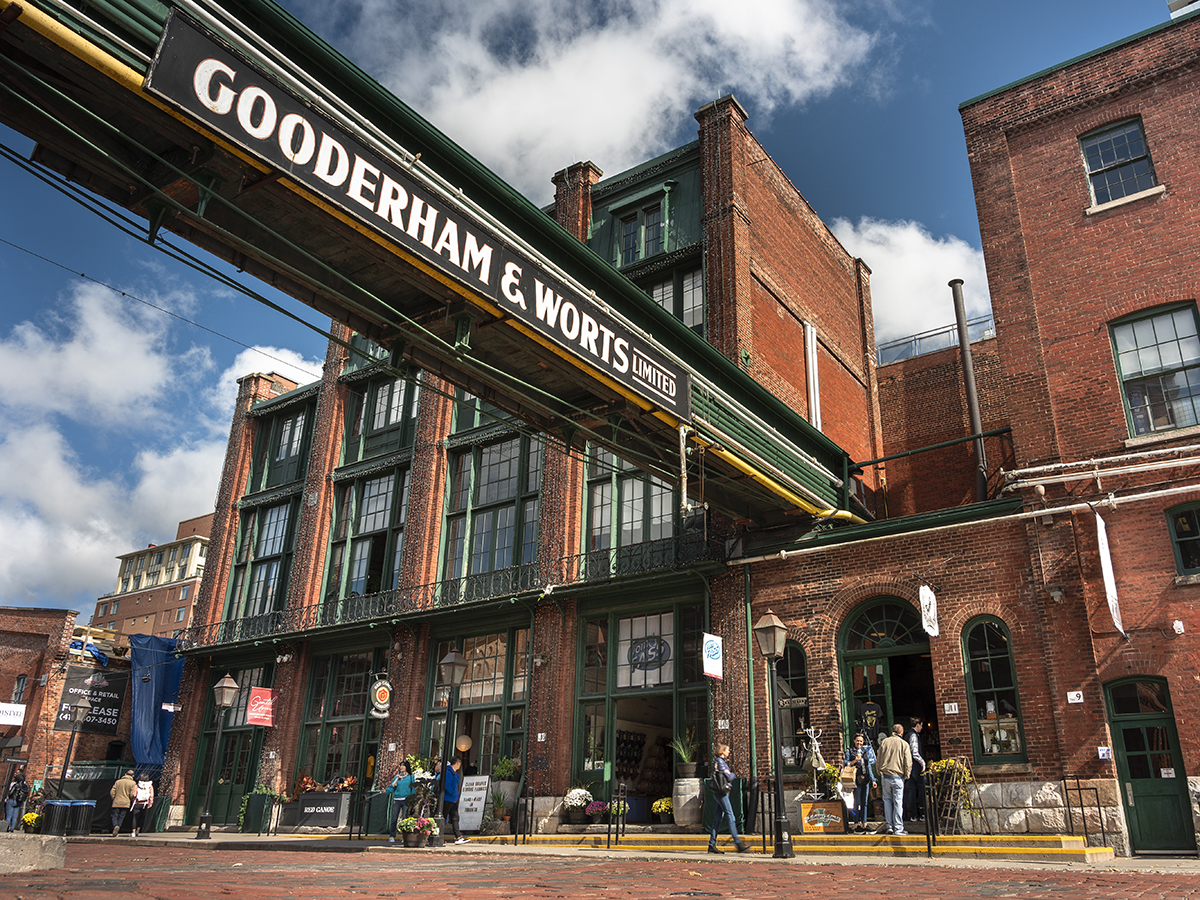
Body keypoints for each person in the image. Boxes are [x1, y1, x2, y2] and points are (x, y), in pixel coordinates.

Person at [707, 743, 749, 854]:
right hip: (722, 792)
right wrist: (733, 774)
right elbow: (729, 776)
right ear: (722, 751)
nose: (729, 752)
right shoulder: (720, 762)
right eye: (727, 750)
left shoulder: (717, 761)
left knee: (717, 818)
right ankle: (738, 843)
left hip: (719, 792)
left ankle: (712, 844)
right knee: (730, 815)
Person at [875, 724, 911, 835]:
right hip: (898, 776)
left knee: (887, 801)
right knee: (898, 802)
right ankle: (898, 828)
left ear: (892, 731)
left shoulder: (884, 742)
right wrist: (907, 775)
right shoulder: (904, 744)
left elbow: (879, 758)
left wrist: (879, 771)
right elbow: (908, 762)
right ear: (902, 732)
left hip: (886, 776)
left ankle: (889, 825)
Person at [843, 733, 877, 833]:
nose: (859, 743)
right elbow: (846, 763)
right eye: (857, 740)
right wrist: (854, 761)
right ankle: (856, 824)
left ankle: (864, 824)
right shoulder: (850, 751)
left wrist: (873, 779)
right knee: (856, 803)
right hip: (855, 780)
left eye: (861, 741)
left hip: (865, 779)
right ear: (854, 741)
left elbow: (869, 766)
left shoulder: (864, 751)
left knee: (864, 803)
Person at [385, 760, 416, 844]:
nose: (401, 767)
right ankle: (392, 836)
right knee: (394, 818)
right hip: (397, 800)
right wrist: (386, 791)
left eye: (403, 766)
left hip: (406, 800)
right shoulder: (397, 777)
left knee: (405, 818)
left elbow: (413, 789)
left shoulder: (411, 777)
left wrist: (412, 799)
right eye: (401, 765)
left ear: (407, 767)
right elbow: (392, 788)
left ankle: (404, 836)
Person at [904, 717, 926, 822]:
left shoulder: (908, 735)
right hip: (915, 766)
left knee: (912, 790)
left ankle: (914, 815)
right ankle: (921, 814)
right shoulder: (913, 735)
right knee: (920, 789)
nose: (922, 728)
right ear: (918, 724)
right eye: (921, 725)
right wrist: (922, 762)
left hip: (910, 766)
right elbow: (915, 752)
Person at [441, 756, 467, 844]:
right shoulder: (448, 772)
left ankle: (458, 836)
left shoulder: (456, 775)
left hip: (453, 799)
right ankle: (437, 835)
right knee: (443, 817)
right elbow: (446, 784)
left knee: (455, 817)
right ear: (457, 763)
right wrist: (452, 792)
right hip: (448, 798)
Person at [110, 769, 137, 836]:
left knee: (114, 816)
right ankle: (118, 828)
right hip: (125, 802)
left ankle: (115, 826)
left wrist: (114, 798)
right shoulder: (133, 783)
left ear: (125, 774)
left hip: (116, 801)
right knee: (121, 817)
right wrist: (130, 799)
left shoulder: (118, 782)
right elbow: (132, 794)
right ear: (133, 776)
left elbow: (112, 792)